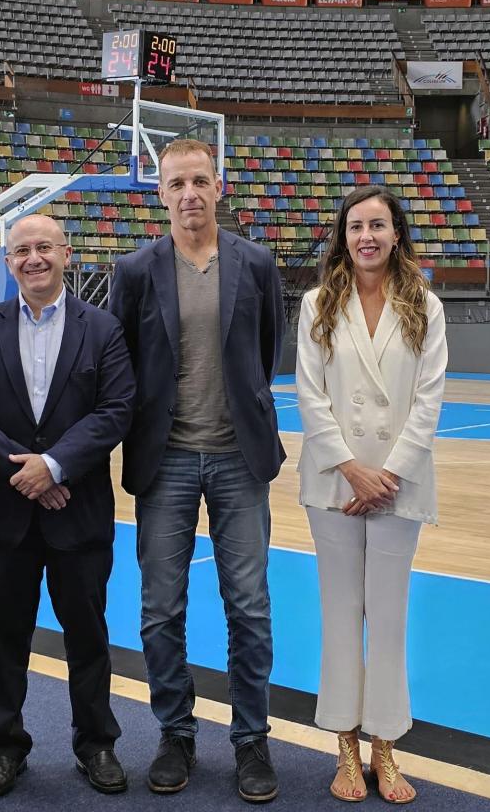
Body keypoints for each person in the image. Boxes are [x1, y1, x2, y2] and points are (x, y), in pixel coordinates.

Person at [106, 138, 286, 803]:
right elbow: (122, 362)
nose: (189, 194)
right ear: (159, 193)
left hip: (241, 459)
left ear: (219, 187)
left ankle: (250, 740)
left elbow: (268, 350)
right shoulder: (133, 271)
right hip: (166, 459)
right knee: (160, 609)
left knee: (249, 608)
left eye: (199, 181)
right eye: (176, 183)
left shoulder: (257, 263)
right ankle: (175, 731)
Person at [0, 214, 136, 798]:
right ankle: (6, 746)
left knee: (88, 635)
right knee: (4, 637)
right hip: (6, 514)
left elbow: (116, 409)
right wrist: (28, 473)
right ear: (8, 262)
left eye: (45, 247)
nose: (34, 258)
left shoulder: (102, 329)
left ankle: (96, 743)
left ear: (66, 255)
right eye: (22, 249)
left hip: (77, 510)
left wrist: (52, 466)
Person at [294, 186, 446, 805]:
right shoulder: (316, 304)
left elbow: (430, 399)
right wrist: (354, 469)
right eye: (356, 226)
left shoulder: (426, 306)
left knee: (387, 621)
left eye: (378, 225)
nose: (367, 237)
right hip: (335, 482)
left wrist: (389, 474)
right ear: (343, 237)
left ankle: (386, 744)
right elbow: (309, 394)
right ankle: (347, 748)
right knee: (339, 617)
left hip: (398, 486)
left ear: (396, 234)